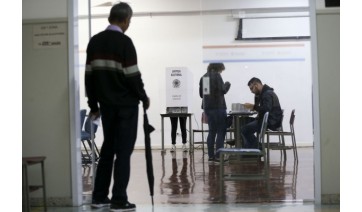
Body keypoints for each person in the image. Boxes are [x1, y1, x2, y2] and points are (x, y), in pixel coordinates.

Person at [84, 2, 150, 211]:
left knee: (107, 150)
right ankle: (119, 199)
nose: (128, 24)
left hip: (107, 107)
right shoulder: (124, 42)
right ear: (124, 20)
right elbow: (132, 75)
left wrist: (93, 106)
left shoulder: (94, 42)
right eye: (129, 20)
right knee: (123, 152)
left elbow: (89, 78)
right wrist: (143, 96)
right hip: (127, 106)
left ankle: (99, 197)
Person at [199, 63, 231, 163]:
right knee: (221, 131)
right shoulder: (217, 75)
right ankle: (218, 156)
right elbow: (223, 90)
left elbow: (201, 94)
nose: (221, 72)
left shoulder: (203, 77)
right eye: (221, 70)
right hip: (219, 107)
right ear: (218, 68)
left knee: (212, 131)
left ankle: (210, 156)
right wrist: (227, 84)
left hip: (208, 108)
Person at [241, 77, 282, 149]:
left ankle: (258, 148)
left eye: (251, 88)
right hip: (269, 120)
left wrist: (253, 106)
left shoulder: (267, 94)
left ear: (256, 85)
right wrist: (256, 99)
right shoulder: (265, 93)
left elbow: (266, 109)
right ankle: (250, 148)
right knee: (243, 122)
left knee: (244, 130)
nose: (251, 91)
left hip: (270, 122)